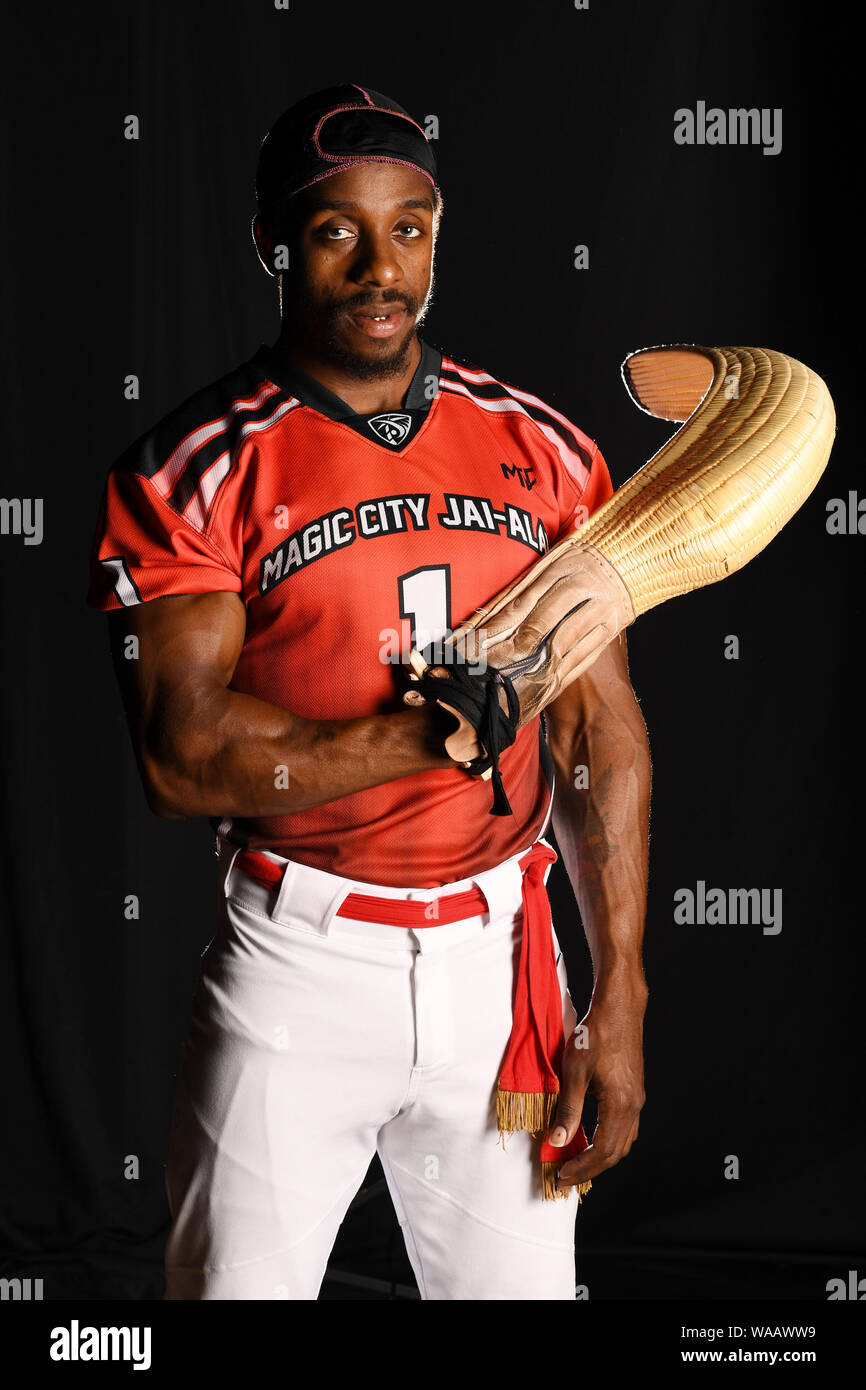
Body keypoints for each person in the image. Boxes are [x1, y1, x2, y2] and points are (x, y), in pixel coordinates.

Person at [87, 84, 652, 1301]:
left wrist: (623, 997)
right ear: (274, 243)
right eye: (338, 229)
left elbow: (598, 730)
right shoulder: (194, 467)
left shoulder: (544, 447)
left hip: (505, 964)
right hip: (300, 964)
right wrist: (417, 739)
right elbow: (180, 759)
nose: (380, 265)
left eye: (410, 227)